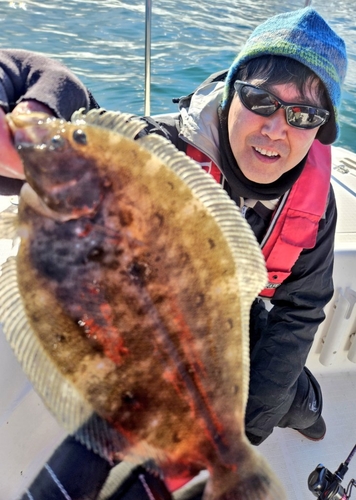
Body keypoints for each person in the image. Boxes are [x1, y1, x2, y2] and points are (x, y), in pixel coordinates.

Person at [0, 7, 348, 500]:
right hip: (147, 337)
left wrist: (240, 440)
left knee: (291, 400)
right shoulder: (150, 152)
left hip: (237, 324)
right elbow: (45, 91)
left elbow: (303, 309)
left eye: (303, 116)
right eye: (259, 99)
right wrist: (27, 104)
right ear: (231, 92)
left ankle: (303, 404)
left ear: (320, 130)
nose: (275, 129)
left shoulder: (315, 205)